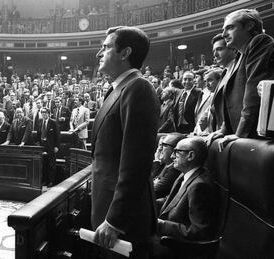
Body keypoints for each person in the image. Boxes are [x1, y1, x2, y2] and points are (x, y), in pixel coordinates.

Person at [91, 26, 160, 258]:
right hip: (108, 206)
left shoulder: (138, 88)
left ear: (125, 53)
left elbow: (136, 162)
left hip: (124, 220)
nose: (99, 53)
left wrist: (115, 220)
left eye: (106, 47)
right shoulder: (118, 89)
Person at [216, 9, 274, 150]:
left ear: (249, 25)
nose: (224, 34)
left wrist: (240, 133)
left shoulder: (260, 41)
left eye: (230, 27)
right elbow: (233, 99)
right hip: (244, 135)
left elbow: (253, 91)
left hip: (256, 136)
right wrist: (223, 130)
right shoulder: (239, 55)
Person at [157, 137, 218, 241]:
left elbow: (199, 231)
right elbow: (171, 200)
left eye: (176, 152)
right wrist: (147, 204)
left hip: (174, 245)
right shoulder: (185, 174)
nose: (172, 156)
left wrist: (160, 224)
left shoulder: (199, 186)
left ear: (190, 155)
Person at [152, 133, 185, 199]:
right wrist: (157, 162)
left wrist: (156, 163)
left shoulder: (175, 169)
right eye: (159, 145)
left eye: (163, 145)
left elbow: (154, 192)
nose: (159, 149)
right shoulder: (164, 164)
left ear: (175, 149)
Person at [36, 107, 59, 187]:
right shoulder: (39, 122)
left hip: (51, 146)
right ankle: (45, 181)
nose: (43, 114)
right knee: (44, 164)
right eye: (42, 112)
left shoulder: (53, 122)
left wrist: (56, 146)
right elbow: (38, 134)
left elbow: (57, 135)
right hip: (42, 145)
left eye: (45, 112)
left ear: (48, 114)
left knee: (51, 165)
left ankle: (51, 181)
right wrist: (39, 144)